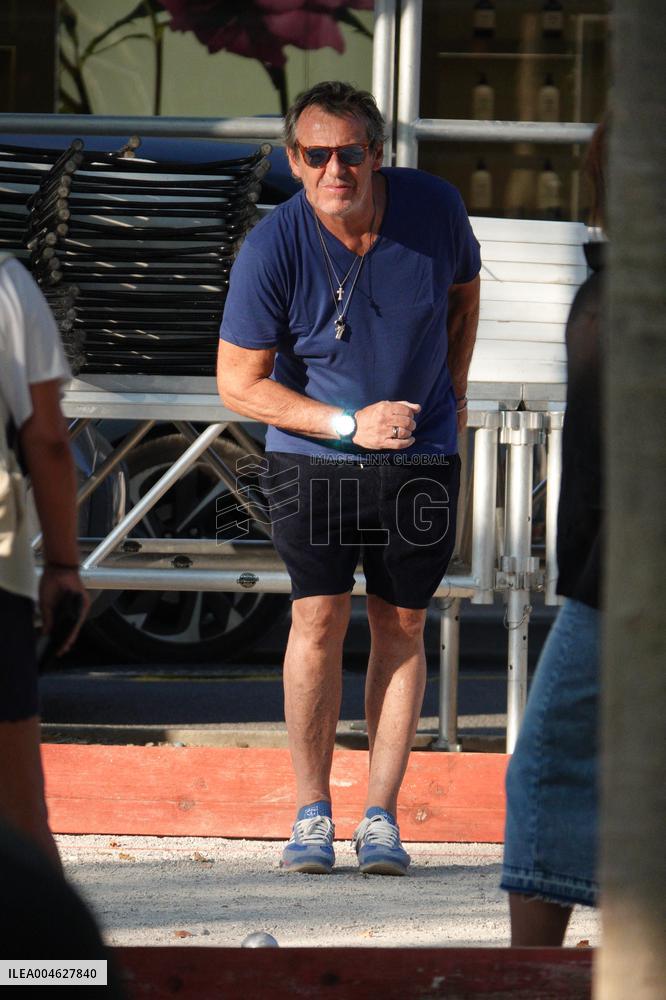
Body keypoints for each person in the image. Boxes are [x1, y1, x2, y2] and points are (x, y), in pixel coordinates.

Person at [217, 81, 480, 876]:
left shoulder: (435, 210)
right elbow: (238, 382)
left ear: (377, 153)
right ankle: (310, 812)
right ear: (294, 162)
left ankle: (381, 818)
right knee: (318, 621)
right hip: (313, 458)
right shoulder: (273, 246)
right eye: (316, 154)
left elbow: (463, 303)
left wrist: (454, 397)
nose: (337, 169)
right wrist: (344, 423)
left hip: (422, 454)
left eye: (351, 152)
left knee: (402, 626)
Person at [500, 120, 607, 942]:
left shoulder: (626, 289)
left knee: (546, 765)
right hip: (608, 570)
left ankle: (525, 977)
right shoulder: (611, 282)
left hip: (621, 577)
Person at [0, 253, 89, 871]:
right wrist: (63, 565)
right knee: (22, 812)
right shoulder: (7, 283)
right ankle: (53, 974)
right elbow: (49, 441)